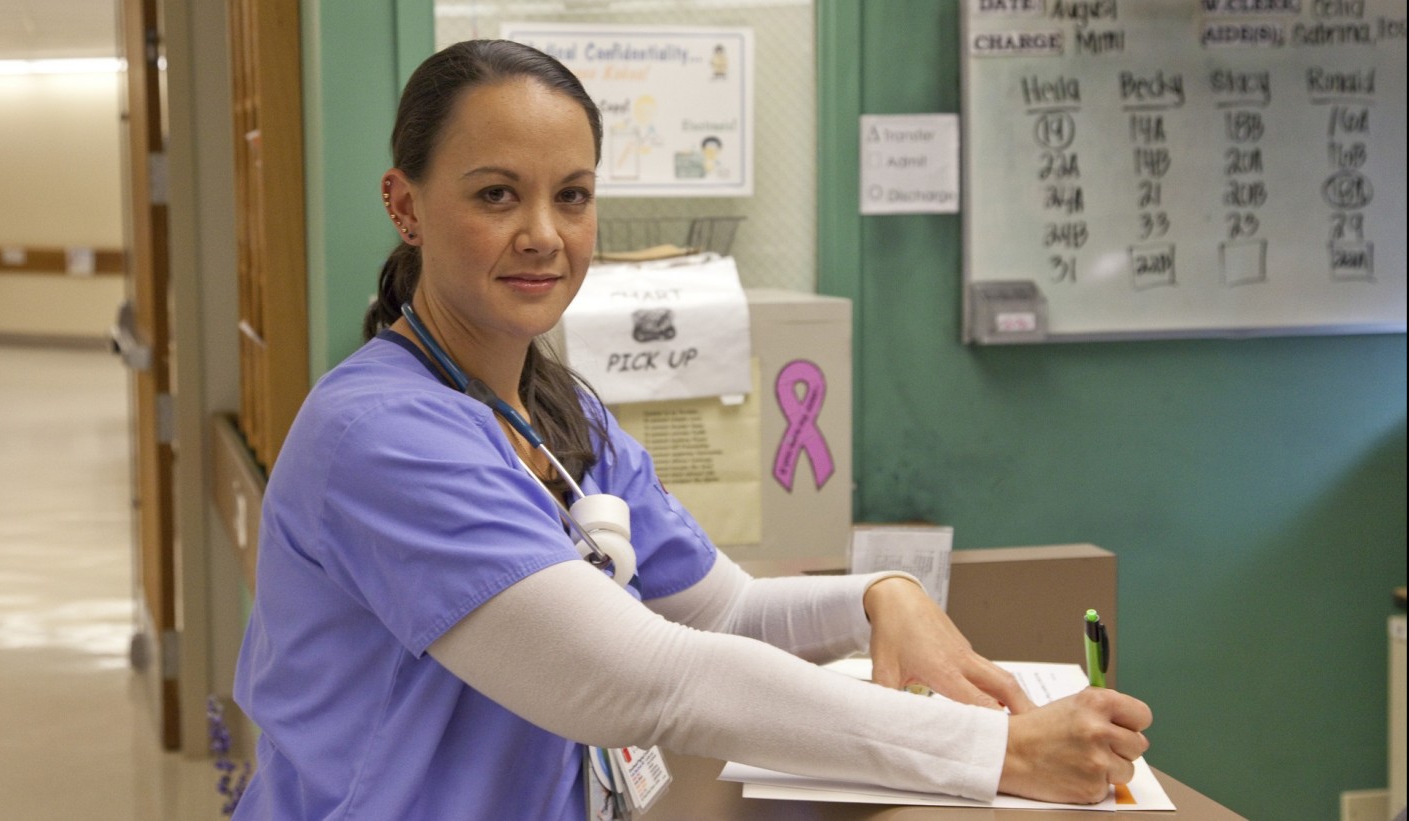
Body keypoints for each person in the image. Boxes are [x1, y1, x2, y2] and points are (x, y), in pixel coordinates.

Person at [232, 39, 1152, 820]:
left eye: (575, 195)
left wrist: (881, 592)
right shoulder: (381, 437)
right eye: (497, 196)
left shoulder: (562, 414)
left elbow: (725, 611)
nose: (546, 234)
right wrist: (997, 750)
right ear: (406, 206)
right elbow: (643, 676)